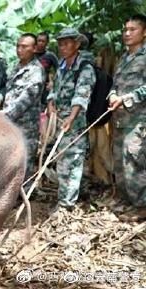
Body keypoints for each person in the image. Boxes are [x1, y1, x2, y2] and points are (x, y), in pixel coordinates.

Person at [46, 28, 96, 212]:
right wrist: (51, 102)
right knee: (64, 160)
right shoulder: (62, 65)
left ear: (77, 44)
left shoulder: (84, 67)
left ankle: (66, 204)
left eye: (67, 43)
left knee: (71, 160)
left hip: (74, 123)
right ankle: (72, 194)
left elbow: (82, 95)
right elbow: (55, 88)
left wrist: (71, 117)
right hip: (60, 119)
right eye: (60, 43)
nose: (63, 47)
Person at [108, 14, 146, 222]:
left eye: (133, 29)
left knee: (135, 161)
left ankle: (141, 205)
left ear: (144, 32)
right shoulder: (124, 58)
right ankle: (125, 199)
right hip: (120, 118)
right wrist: (112, 95)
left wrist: (128, 98)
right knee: (120, 160)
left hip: (139, 119)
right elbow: (116, 84)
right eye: (125, 30)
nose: (127, 33)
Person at [1, 33, 45, 178]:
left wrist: (3, 116)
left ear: (34, 49)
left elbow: (26, 99)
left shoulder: (36, 71)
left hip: (26, 127)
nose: (19, 50)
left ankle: (26, 197)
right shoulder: (16, 68)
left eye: (24, 47)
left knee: (25, 164)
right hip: (10, 126)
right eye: (18, 46)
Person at [36, 31, 59, 106]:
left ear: (47, 43)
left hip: (44, 89)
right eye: (39, 41)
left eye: (43, 41)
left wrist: (53, 82)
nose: (41, 43)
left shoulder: (50, 56)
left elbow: (59, 70)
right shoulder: (30, 54)